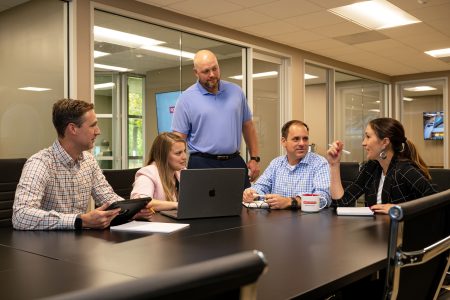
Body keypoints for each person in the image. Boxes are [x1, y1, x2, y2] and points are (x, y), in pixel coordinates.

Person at [12, 99, 152, 230]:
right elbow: (21, 215)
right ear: (73, 129)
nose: (98, 131)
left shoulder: (89, 161)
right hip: (45, 248)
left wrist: (131, 211)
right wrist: (80, 220)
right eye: (92, 125)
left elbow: (108, 198)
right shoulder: (39, 164)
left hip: (79, 244)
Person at [171, 49, 260, 188]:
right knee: (204, 209)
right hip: (201, 164)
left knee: (245, 205)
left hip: (234, 161)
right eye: (206, 71)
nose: (212, 74)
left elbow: (248, 125)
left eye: (215, 69)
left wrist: (254, 158)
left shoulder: (236, 92)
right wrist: (176, 168)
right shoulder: (186, 99)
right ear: (196, 72)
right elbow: (178, 138)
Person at [327, 117, 436, 214]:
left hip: (402, 234)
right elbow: (341, 202)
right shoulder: (372, 167)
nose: (363, 143)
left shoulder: (405, 170)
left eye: (368, 137)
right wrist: (334, 164)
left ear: (385, 142)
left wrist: (400, 209)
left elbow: (435, 203)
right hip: (376, 232)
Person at [243, 120, 331, 209]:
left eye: (305, 139)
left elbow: (324, 199)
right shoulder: (276, 163)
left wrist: (289, 202)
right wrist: (251, 193)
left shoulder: (319, 163)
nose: (302, 143)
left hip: (307, 220)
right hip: (276, 220)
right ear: (283, 141)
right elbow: (261, 186)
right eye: (296, 139)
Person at [131, 132, 187, 211]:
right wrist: (177, 205)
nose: (184, 157)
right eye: (178, 153)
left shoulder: (182, 172)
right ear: (163, 156)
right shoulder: (147, 174)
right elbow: (142, 202)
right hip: (156, 222)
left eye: (184, 151)